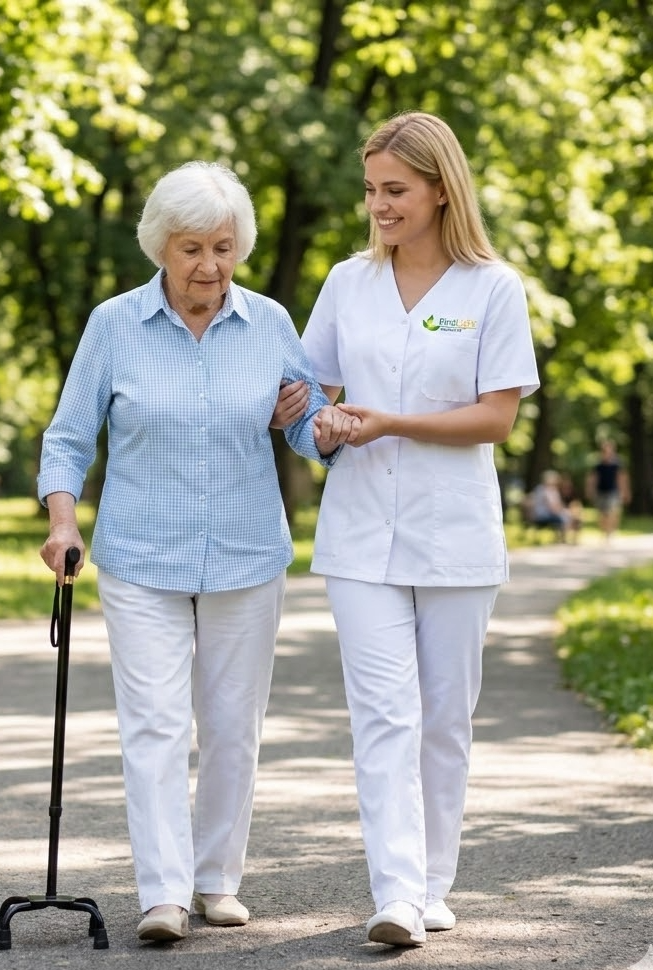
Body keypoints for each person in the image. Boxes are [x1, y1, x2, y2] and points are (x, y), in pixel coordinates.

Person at [36, 161, 356, 944]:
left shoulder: (272, 323)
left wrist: (315, 424)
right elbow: (68, 436)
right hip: (143, 556)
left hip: (245, 555)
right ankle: (163, 895)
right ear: (159, 248)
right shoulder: (114, 325)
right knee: (152, 725)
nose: (208, 266)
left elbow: (311, 434)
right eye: (190, 249)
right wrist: (63, 520)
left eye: (222, 247)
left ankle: (217, 879)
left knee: (231, 724)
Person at [276, 111, 540, 946]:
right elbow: (310, 396)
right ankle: (393, 893)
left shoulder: (491, 289)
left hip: (454, 534)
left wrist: (389, 421)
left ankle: (433, 884)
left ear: (438, 189)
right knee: (382, 714)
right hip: (359, 535)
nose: (380, 206)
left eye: (395, 190)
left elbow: (497, 419)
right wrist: (313, 424)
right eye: (371, 190)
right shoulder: (347, 283)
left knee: (443, 718)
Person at [586, 439, 630, 540]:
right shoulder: (598, 464)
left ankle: (611, 533)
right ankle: (604, 532)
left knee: (612, 512)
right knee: (602, 514)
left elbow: (622, 479)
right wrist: (590, 490)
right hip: (601, 491)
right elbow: (593, 478)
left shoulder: (617, 464)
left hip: (613, 491)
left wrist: (625, 492)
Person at [525, 469, 580, 542]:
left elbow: (557, 505)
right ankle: (564, 539)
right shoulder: (545, 490)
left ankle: (565, 538)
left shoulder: (549, 490)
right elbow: (552, 507)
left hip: (548, 513)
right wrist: (565, 512)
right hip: (543, 515)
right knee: (566, 517)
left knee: (569, 516)